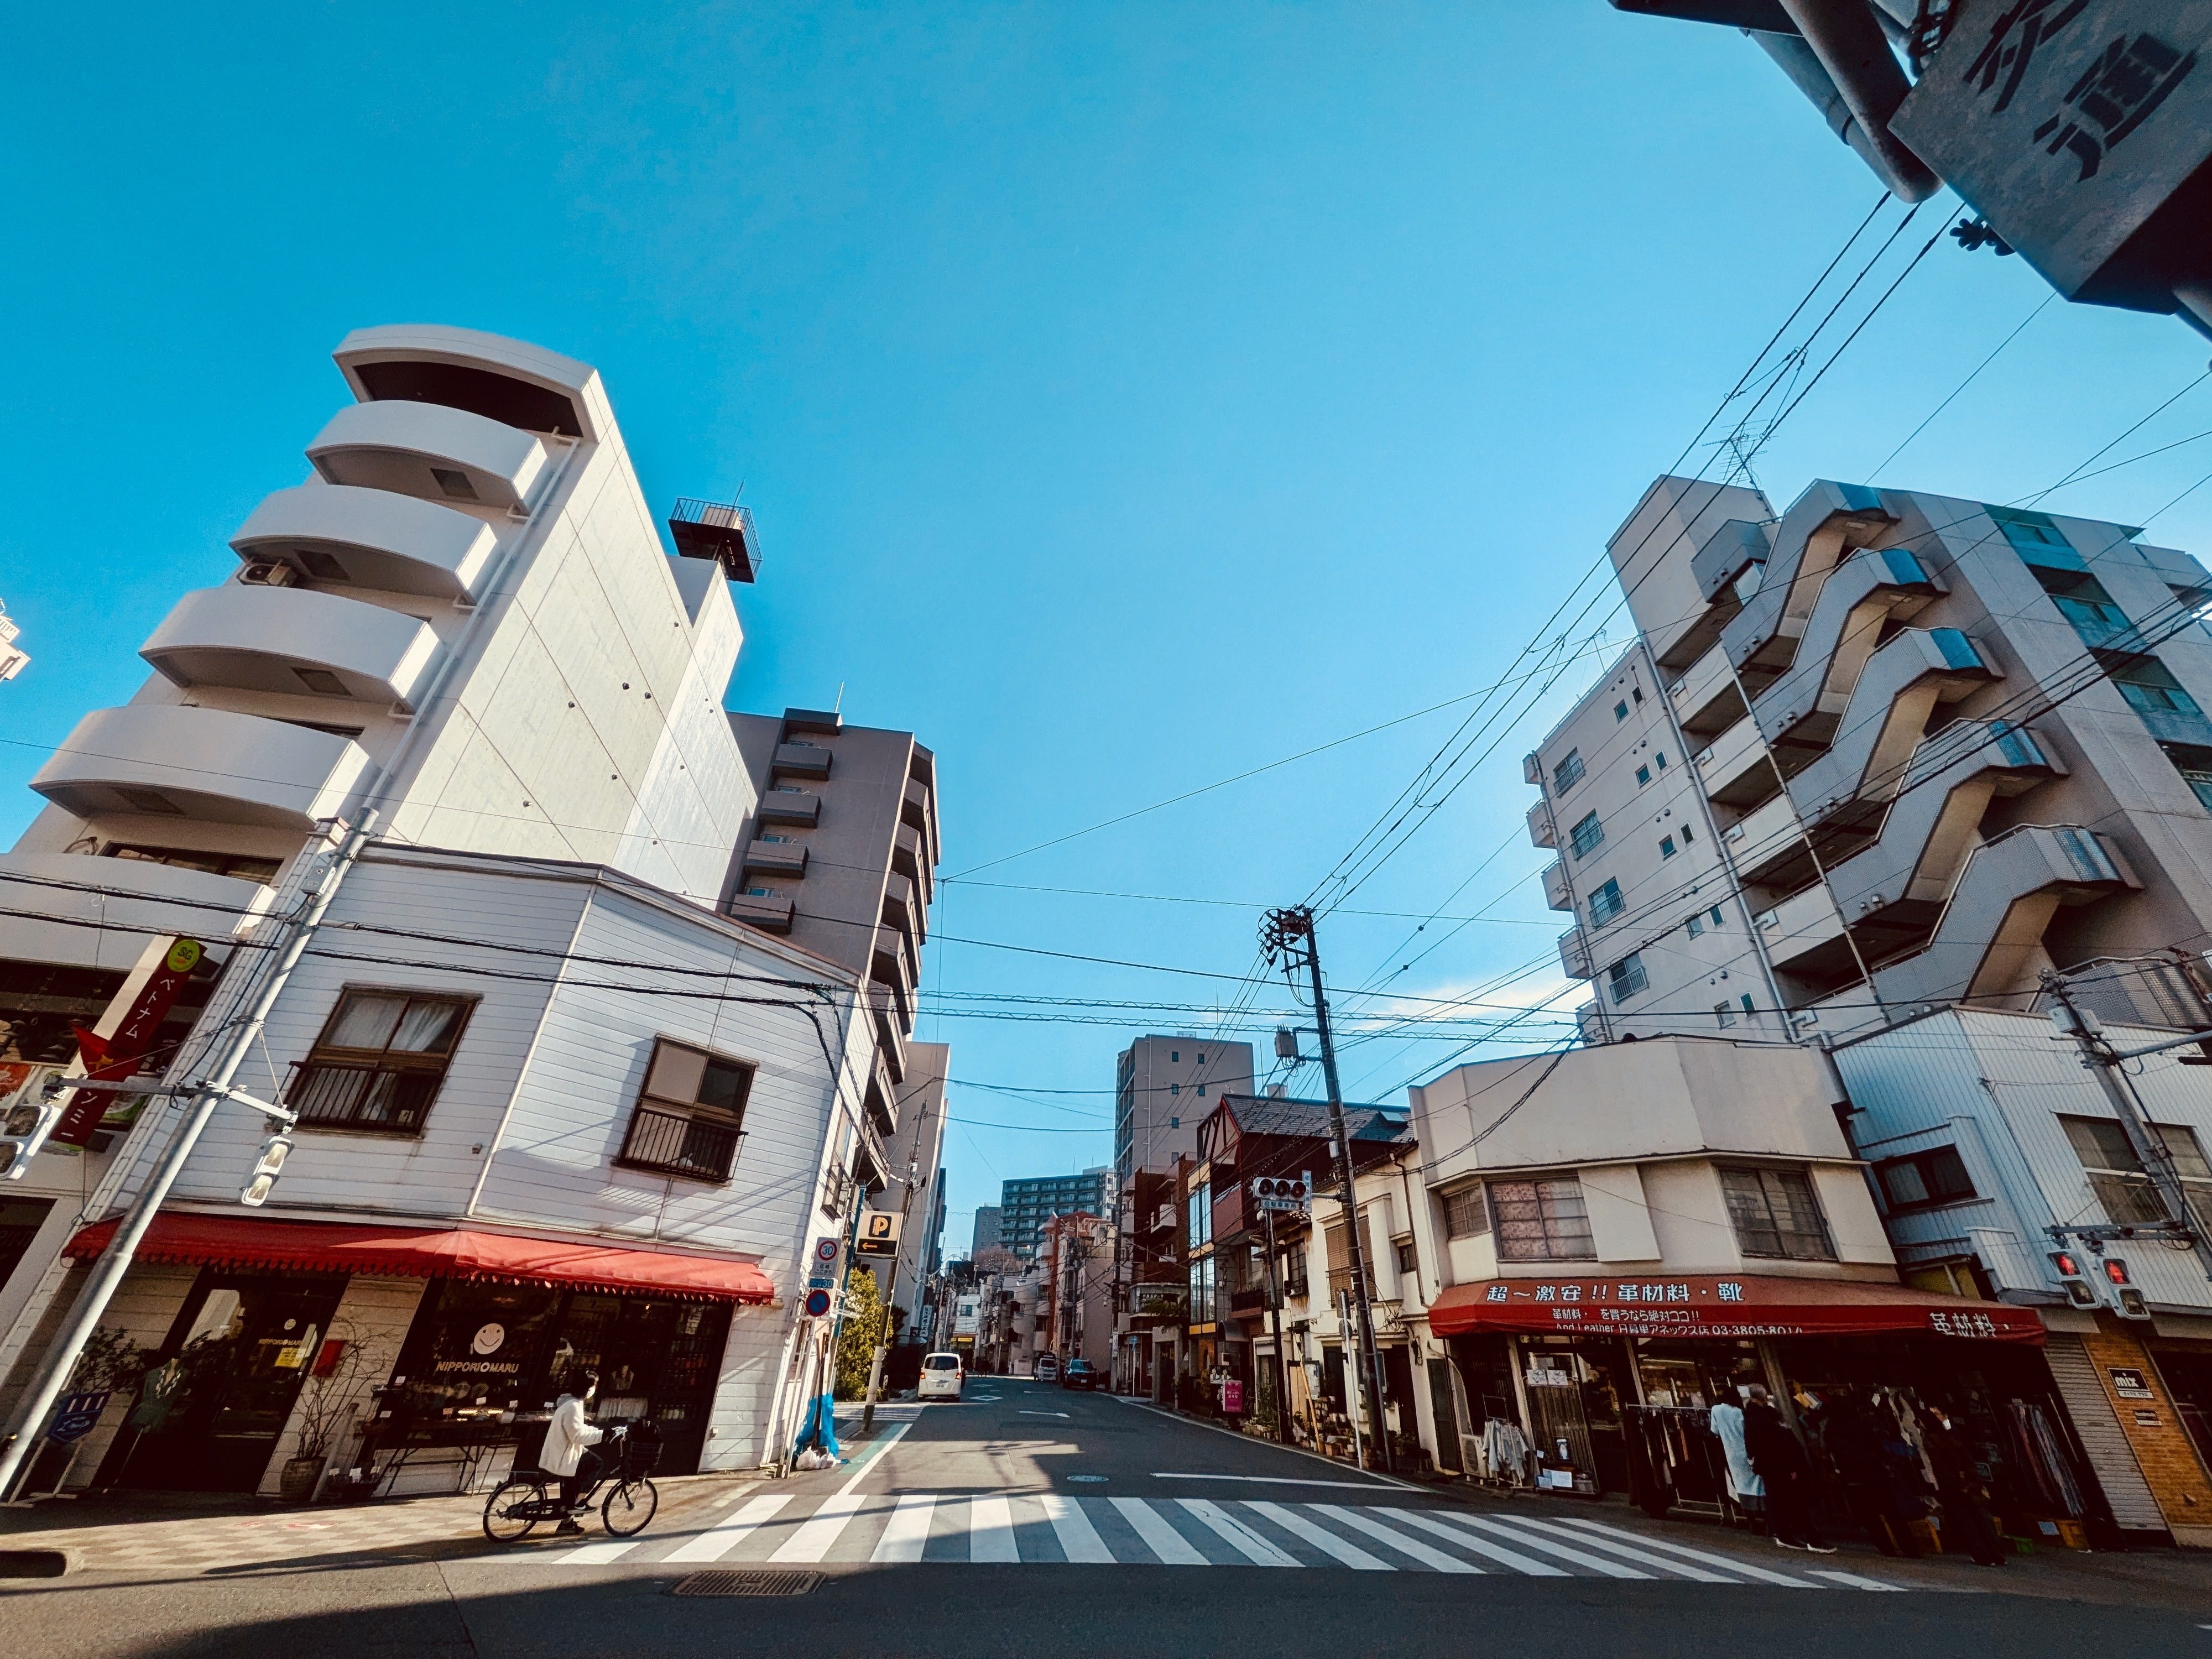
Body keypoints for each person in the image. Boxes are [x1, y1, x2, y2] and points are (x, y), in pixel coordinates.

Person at [1743, 1384, 1834, 1553]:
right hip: (1781, 1466)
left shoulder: (1752, 1417)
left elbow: (1754, 1446)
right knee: (1796, 1501)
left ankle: (1785, 1535)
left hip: (1771, 1468)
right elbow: (1778, 1445)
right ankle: (1812, 1539)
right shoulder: (1765, 1418)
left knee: (1781, 1502)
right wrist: (1791, 1467)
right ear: (1763, 1397)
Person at [1926, 1408, 2007, 1568]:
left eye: (1938, 1413)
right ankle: (1996, 1556)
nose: (1939, 1416)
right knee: (1980, 1520)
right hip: (1968, 1483)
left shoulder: (1934, 1439)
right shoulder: (1951, 1434)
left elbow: (1941, 1467)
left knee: (1970, 1522)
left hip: (1957, 1486)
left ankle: (1986, 1556)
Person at [542, 1370, 607, 1536]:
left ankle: (567, 1522)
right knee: (595, 1463)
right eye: (594, 1385)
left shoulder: (571, 1402)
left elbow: (577, 1428)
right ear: (587, 1387)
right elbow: (578, 1435)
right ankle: (578, 1502)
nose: (595, 1389)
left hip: (564, 1450)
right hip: (564, 1454)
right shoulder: (573, 1406)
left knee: (574, 1480)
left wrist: (596, 1430)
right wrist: (603, 1435)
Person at [1707, 1390, 1765, 1528]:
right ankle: (1767, 1521)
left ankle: (1752, 1522)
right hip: (1749, 1453)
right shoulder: (1742, 1413)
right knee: (1759, 1486)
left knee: (1739, 1487)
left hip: (1731, 1455)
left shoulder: (1716, 1410)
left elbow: (1714, 1431)